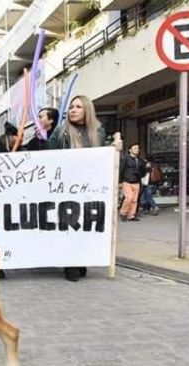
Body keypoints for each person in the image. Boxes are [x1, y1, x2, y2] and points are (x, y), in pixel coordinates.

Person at [47, 95, 122, 282]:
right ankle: (70, 264)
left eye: (78, 107)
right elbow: (48, 158)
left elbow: (103, 159)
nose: (73, 110)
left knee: (85, 224)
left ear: (87, 110)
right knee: (68, 224)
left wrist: (114, 150)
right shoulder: (60, 132)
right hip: (66, 188)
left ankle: (80, 260)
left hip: (90, 188)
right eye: (71, 106)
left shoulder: (98, 132)